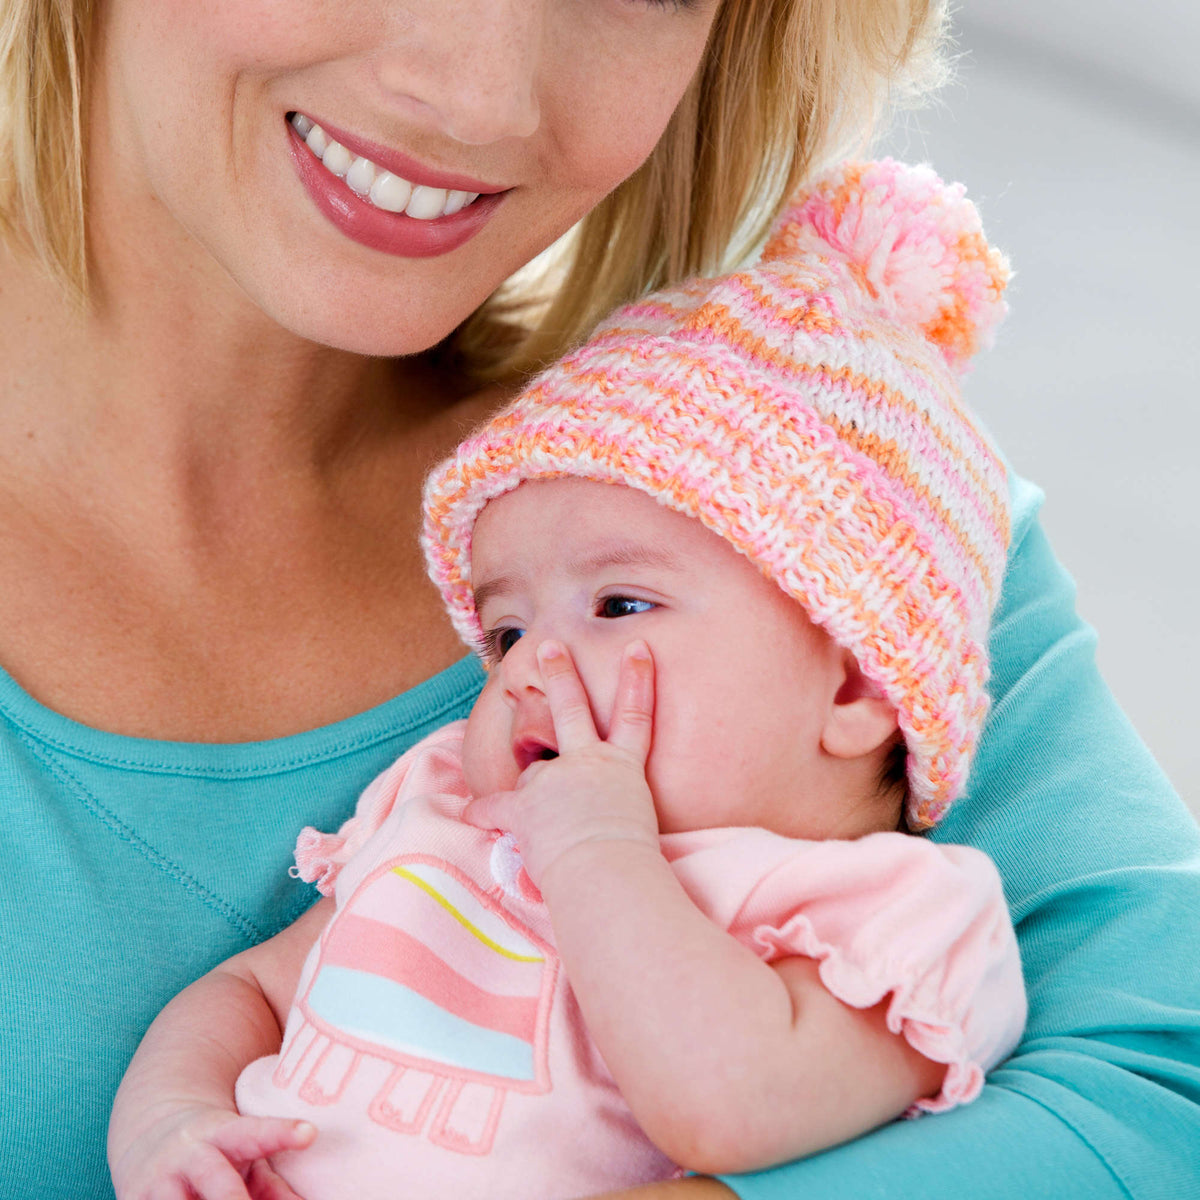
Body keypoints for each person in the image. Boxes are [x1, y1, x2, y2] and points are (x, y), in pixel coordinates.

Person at [1, 2, 1197, 1200]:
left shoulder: (867, 525)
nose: (479, 96)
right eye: (504, 623)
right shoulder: (441, 806)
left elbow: (1161, 1095)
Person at [108, 159, 1028, 1200]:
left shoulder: (885, 917)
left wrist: (598, 848)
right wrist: (171, 1124)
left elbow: (722, 1109)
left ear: (857, 686)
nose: (536, 665)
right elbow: (251, 993)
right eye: (503, 633)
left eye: (620, 606)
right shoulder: (445, 807)